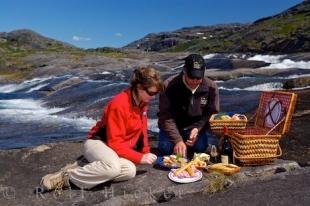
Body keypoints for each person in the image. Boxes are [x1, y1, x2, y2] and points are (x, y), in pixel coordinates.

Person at [40, 67, 163, 191]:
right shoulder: (119, 104)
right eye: (151, 93)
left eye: (156, 94)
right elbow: (115, 143)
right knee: (112, 168)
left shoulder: (142, 102)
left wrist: (145, 151)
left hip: (113, 148)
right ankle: (65, 177)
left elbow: (143, 129)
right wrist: (140, 158)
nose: (153, 97)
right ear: (139, 87)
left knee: (130, 171)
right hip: (99, 143)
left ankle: (87, 167)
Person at [157, 54, 219, 158]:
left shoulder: (211, 86)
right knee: (165, 148)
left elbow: (211, 112)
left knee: (200, 148)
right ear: (184, 71)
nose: (195, 81)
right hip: (174, 126)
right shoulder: (168, 85)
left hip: (195, 128)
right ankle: (181, 144)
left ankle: (187, 144)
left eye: (198, 77)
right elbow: (165, 116)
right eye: (191, 77)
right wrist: (177, 140)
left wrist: (198, 129)